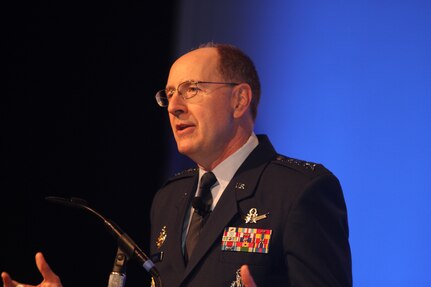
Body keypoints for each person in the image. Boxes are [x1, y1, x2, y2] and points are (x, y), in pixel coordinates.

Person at [2, 42, 352, 287]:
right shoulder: (170, 198)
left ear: (239, 100)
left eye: (191, 89)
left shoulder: (298, 191)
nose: (174, 106)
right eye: (168, 95)